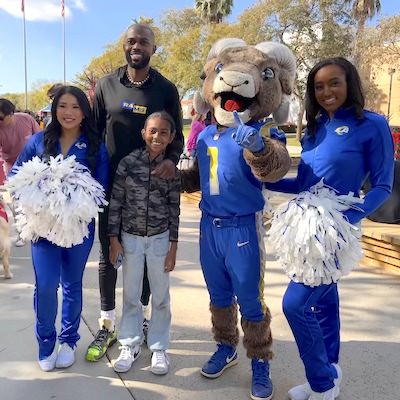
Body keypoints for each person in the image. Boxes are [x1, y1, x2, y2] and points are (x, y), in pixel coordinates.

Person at [255, 58, 394, 400]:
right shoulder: (315, 127)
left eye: (335, 83)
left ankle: (321, 383)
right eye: (319, 86)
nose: (327, 91)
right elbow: (305, 185)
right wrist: (263, 180)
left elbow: (383, 185)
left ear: (350, 85)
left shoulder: (372, 124)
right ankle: (331, 369)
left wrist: (346, 220)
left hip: (335, 230)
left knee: (296, 304)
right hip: (306, 229)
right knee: (324, 302)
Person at [86, 23, 184, 362]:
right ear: (123, 46)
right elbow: (94, 132)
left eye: (143, 41)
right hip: (111, 187)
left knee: (143, 261)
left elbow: (179, 137)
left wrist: (171, 161)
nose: (136, 46)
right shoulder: (107, 86)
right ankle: (107, 323)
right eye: (130, 41)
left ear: (153, 48)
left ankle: (140, 322)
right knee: (109, 256)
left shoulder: (166, 89)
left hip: (151, 190)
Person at [9, 85, 109, 372]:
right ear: (55, 109)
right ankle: (46, 343)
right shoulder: (39, 141)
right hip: (42, 229)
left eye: (76, 107)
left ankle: (68, 341)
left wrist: (73, 193)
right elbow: (17, 176)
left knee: (72, 285)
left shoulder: (94, 146)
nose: (69, 112)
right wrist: (41, 188)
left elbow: (101, 190)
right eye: (63, 106)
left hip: (78, 230)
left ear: (84, 112)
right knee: (46, 285)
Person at [108, 111, 180, 374]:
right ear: (143, 133)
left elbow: (175, 209)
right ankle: (130, 343)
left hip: (160, 239)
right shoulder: (128, 163)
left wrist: (173, 247)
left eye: (163, 132)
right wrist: (114, 240)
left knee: (160, 297)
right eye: (152, 131)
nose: (157, 136)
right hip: (131, 239)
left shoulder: (170, 169)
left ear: (172, 136)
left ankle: (159, 347)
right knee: (131, 294)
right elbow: (116, 202)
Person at [0, 98, 41, 246]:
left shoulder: (26, 119)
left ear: (11, 114)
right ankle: (21, 233)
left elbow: (41, 139)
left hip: (32, 165)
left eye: (1, 118)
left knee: (36, 200)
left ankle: (38, 229)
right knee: (13, 202)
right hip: (10, 166)